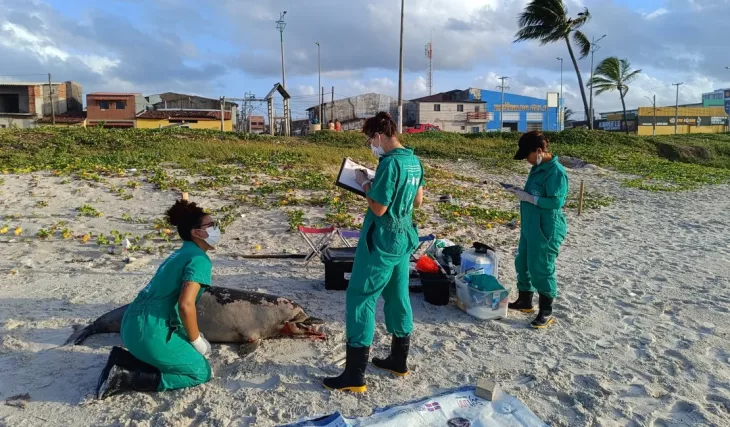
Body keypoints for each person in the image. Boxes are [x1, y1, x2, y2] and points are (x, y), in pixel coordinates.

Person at [323, 112, 424, 393]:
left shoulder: (390, 164)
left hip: (380, 241)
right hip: (403, 238)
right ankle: (398, 360)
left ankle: (354, 375)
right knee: (397, 296)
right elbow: (418, 199)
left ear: (379, 136)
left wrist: (365, 182)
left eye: (370, 140)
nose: (371, 145)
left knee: (361, 298)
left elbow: (378, 208)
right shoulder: (413, 161)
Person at [96, 199, 221, 399]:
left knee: (183, 353)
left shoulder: (179, 254)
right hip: (149, 333)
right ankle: (125, 377)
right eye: (212, 225)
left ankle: (126, 360)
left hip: (130, 326)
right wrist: (196, 339)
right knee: (199, 372)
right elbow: (185, 304)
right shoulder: (199, 260)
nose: (217, 229)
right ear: (196, 232)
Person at [507, 131, 569, 329]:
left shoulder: (556, 172)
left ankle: (546, 311)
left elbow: (556, 201)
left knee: (541, 267)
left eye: (528, 155)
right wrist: (521, 193)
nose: (527, 160)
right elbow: (534, 192)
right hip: (530, 225)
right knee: (523, 261)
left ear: (539, 151)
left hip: (546, 227)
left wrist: (531, 199)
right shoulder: (537, 168)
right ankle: (525, 300)